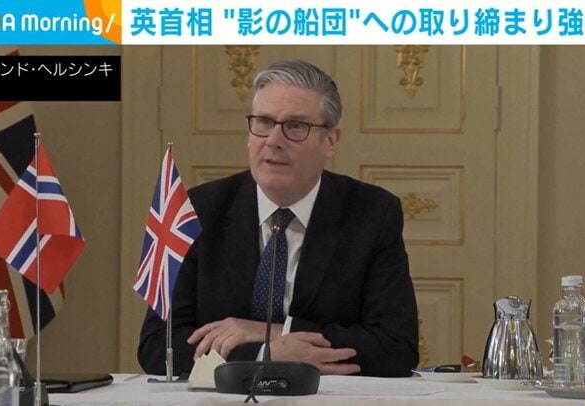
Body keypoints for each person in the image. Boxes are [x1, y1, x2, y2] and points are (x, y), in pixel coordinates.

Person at [138, 59, 419, 377]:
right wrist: (264, 356)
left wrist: (275, 333)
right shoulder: (198, 210)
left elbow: (396, 347)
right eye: (263, 122)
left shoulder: (372, 213)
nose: (273, 140)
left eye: (296, 126)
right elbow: (158, 345)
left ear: (330, 141)